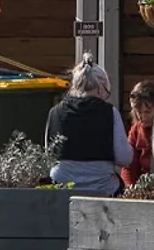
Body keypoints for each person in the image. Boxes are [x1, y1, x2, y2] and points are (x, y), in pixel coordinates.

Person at [45, 53, 133, 195]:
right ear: (100, 88)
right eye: (107, 92)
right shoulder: (109, 112)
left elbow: (48, 156)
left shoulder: (55, 112)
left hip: (62, 188)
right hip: (103, 188)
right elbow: (124, 158)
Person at [121, 79, 154, 186]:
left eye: (147, 112)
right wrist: (129, 188)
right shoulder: (136, 131)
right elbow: (129, 166)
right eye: (139, 112)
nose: (142, 116)